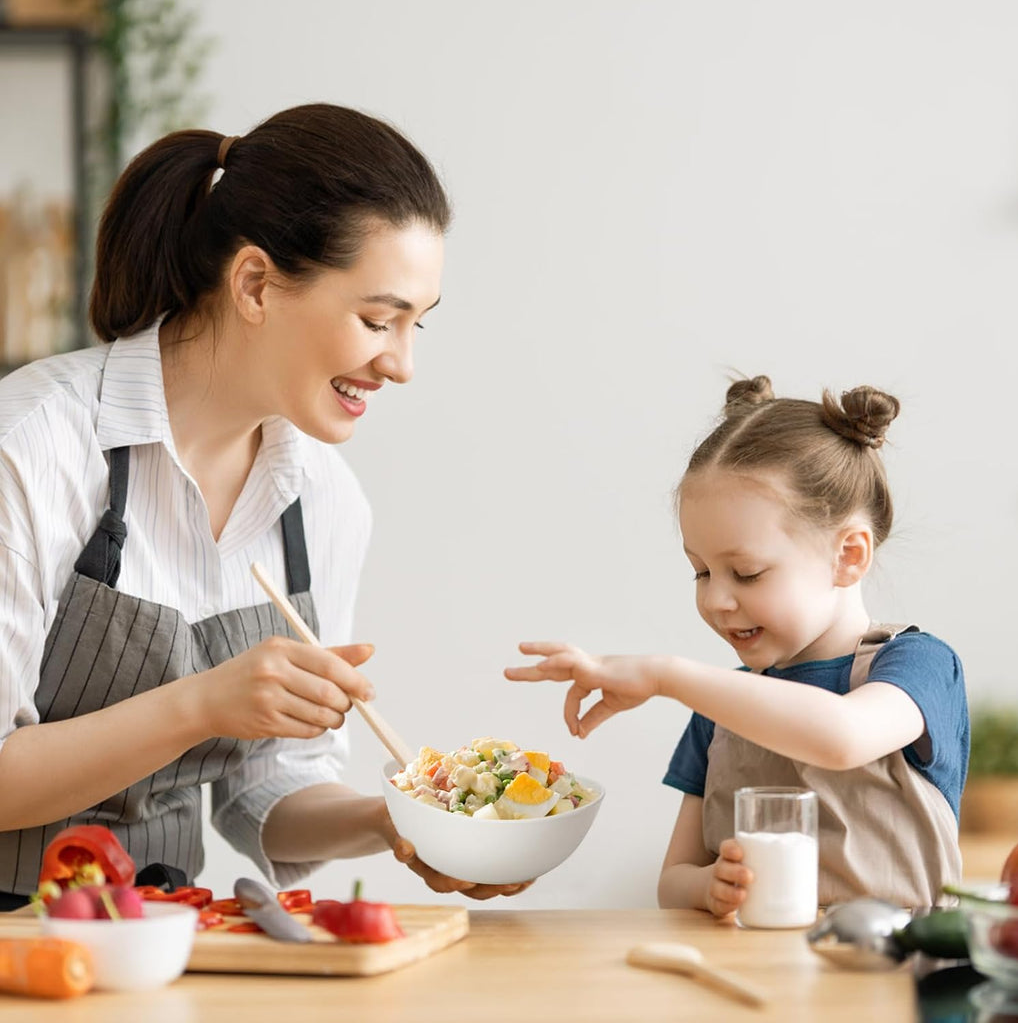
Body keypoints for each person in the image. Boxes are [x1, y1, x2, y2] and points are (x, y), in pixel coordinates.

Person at [0, 102, 528, 909]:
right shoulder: (34, 446)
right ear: (254, 284)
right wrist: (202, 703)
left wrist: (399, 820)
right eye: (378, 320)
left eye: (418, 325)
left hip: (166, 934)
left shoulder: (322, 501)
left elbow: (266, 794)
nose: (403, 364)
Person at [505, 375, 968, 912]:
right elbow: (674, 880)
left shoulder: (918, 665)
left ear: (849, 556)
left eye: (746, 573)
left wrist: (665, 676)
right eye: (700, 572)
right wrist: (707, 889)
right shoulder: (722, 706)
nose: (716, 600)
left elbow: (841, 737)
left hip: (889, 985)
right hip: (755, 980)